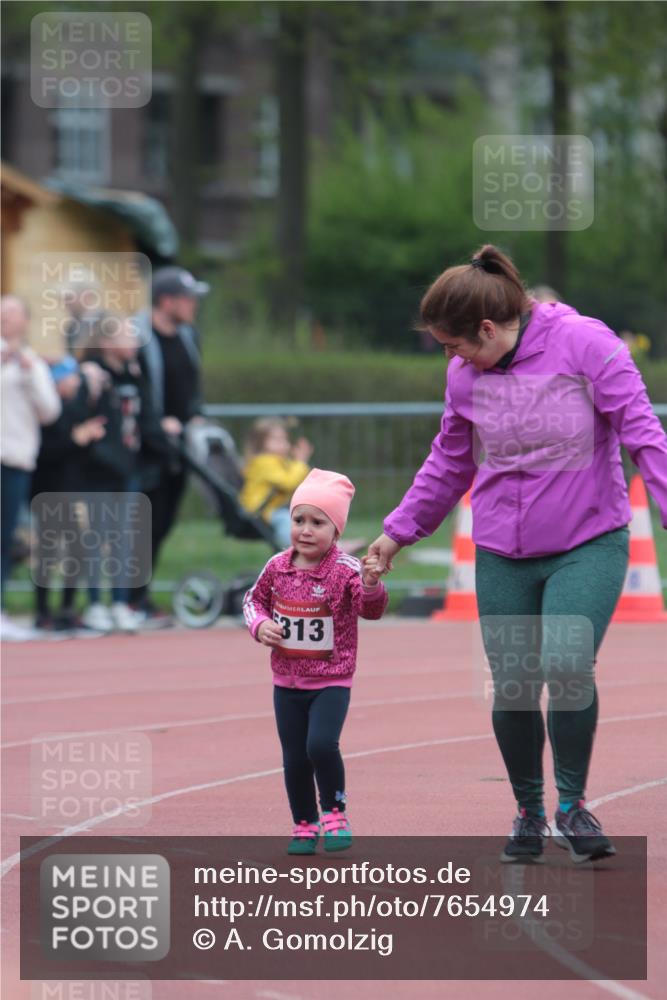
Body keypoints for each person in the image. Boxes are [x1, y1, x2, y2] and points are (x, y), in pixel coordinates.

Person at [368, 245, 667, 864]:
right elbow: (449, 462)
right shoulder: (465, 377)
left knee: (565, 664)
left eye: (456, 346)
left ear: (486, 328)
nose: (451, 360)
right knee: (512, 685)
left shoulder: (587, 344)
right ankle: (529, 812)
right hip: (503, 547)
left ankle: (572, 805)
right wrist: (397, 532)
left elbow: (642, 431)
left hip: (588, 540)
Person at [243, 468, 388, 855]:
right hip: (286, 682)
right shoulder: (276, 567)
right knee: (293, 756)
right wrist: (260, 625)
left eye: (317, 523)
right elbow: (252, 601)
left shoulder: (346, 570)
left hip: (331, 680)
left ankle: (335, 812)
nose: (306, 530)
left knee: (321, 745)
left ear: (336, 531)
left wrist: (372, 585)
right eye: (298, 520)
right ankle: (304, 822)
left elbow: (369, 609)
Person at [76, 313, 170, 632]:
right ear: (105, 342)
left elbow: (147, 417)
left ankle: (120, 602)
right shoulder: (93, 374)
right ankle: (94, 604)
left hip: (128, 468)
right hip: (99, 469)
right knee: (96, 536)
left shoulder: (134, 374)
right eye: (126, 335)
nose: (134, 341)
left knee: (124, 539)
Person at [131, 267, 209, 621]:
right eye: (187, 298)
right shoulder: (138, 337)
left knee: (161, 523)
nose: (193, 305)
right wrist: (155, 424)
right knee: (141, 525)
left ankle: (139, 597)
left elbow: (191, 387)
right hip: (146, 450)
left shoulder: (188, 336)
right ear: (166, 301)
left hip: (179, 447)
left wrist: (195, 415)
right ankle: (130, 599)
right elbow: (136, 389)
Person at [1, 296, 61, 637]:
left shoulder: (32, 362)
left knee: (6, 537)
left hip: (16, 458)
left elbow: (49, 411)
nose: (5, 320)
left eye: (11, 314)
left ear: (24, 321)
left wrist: (27, 373)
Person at [239, 417, 313, 548]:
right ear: (260, 443)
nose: (284, 444)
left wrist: (297, 463)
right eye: (277, 440)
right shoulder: (263, 462)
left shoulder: (278, 462)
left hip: (273, 509)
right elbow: (288, 482)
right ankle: (300, 547)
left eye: (285, 439)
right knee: (285, 519)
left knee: (308, 514)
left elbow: (298, 480)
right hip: (261, 511)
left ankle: (324, 546)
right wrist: (300, 462)